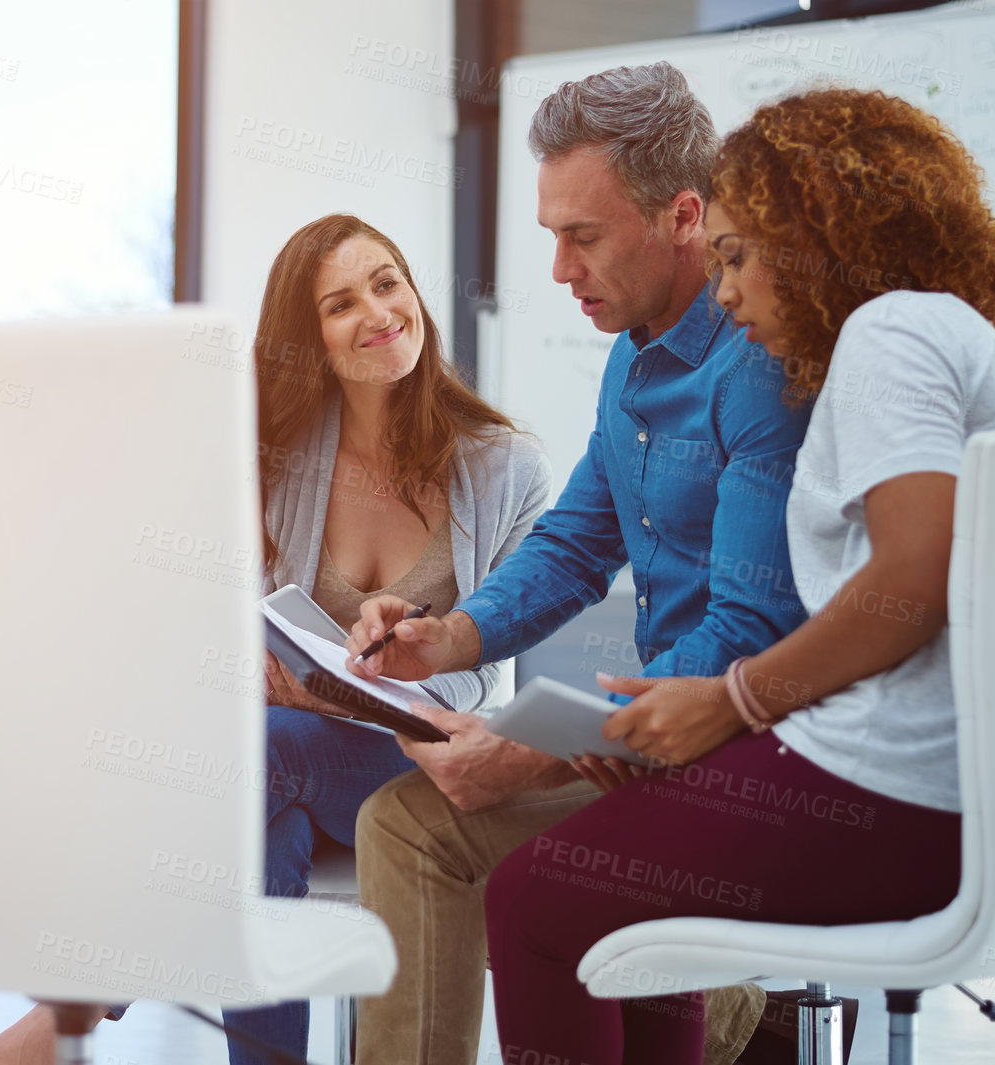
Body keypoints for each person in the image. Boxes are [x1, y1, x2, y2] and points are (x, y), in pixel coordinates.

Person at [478, 86, 995, 1063]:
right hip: (960, 795)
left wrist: (730, 701)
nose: (727, 290)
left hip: (897, 799)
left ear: (820, 242)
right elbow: (581, 538)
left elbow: (911, 577)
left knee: (531, 899)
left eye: (740, 257)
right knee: (617, 886)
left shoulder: (888, 335)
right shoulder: (935, 335)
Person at [0, 213, 551, 1065]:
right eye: (340, 302)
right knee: (256, 806)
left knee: (256, 756)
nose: (378, 312)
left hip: (419, 766)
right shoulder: (278, 457)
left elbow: (481, 672)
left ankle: (71, 1012)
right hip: (281, 766)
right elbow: (225, 630)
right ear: (309, 337)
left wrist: (340, 691)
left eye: (387, 282)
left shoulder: (506, 467)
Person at [345, 63, 814, 1065]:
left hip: (744, 758)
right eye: (552, 234)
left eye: (581, 236)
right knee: (404, 822)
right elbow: (573, 541)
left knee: (491, 859)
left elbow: (745, 633)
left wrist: (530, 751)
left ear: (682, 214)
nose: (558, 270)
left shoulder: (758, 366)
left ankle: (720, 1007)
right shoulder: (631, 357)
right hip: (652, 741)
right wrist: (448, 636)